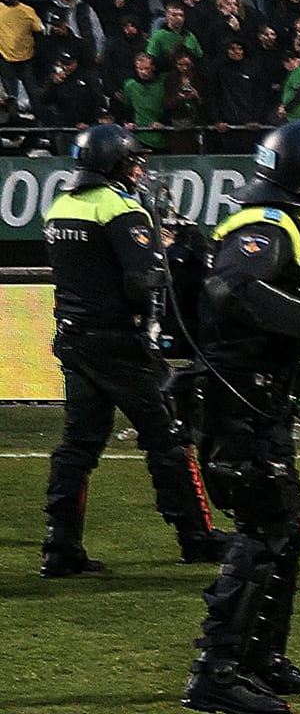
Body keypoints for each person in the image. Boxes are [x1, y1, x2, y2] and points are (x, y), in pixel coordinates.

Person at [180, 120, 300, 713]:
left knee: (288, 529)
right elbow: (233, 287)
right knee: (265, 531)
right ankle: (216, 669)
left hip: (258, 401)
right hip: (239, 404)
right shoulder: (268, 225)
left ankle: (260, 658)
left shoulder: (284, 223)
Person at [42, 123, 224, 577]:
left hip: (74, 335)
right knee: (167, 436)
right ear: (115, 165)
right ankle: (196, 537)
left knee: (78, 444)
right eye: (133, 161)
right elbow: (142, 281)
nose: (139, 168)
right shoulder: (120, 208)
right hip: (119, 341)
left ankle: (59, 546)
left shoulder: (60, 207)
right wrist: (161, 261)